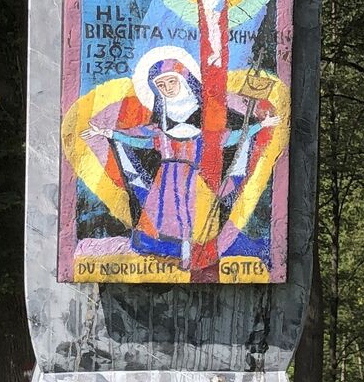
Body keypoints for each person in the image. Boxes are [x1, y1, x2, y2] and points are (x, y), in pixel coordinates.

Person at [95, 49, 276, 266]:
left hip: (194, 184)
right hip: (164, 187)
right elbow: (137, 139)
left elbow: (232, 138)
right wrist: (111, 134)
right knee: (148, 235)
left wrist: (259, 126)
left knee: (202, 227)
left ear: (184, 81)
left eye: (171, 81)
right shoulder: (159, 130)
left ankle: (199, 249)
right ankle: (179, 250)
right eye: (161, 85)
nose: (167, 88)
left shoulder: (206, 127)